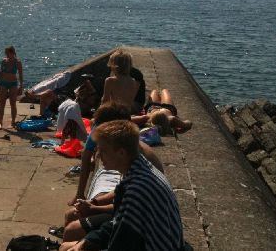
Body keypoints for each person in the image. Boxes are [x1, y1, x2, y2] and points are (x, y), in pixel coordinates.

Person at [60, 120, 184, 251]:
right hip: (157, 241)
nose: (98, 156)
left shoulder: (137, 190)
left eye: (103, 151)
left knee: (66, 248)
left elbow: (121, 243)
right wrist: (86, 242)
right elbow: (119, 221)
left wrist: (83, 245)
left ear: (121, 153)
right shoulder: (139, 167)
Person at [62, 104, 164, 242]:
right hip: (137, 219)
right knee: (71, 215)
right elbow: (121, 193)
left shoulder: (140, 176)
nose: (98, 155)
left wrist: (93, 208)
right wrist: (93, 201)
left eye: (102, 150)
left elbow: (125, 209)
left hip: (144, 230)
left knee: (72, 230)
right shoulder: (133, 159)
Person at [0, 45, 23, 129]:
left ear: (13, 53)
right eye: (6, 53)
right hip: (3, 83)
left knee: (13, 103)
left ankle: (13, 122)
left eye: (8, 53)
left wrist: (21, 86)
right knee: (2, 103)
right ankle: (0, 122)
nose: (6, 54)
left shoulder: (18, 62)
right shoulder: (4, 61)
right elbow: (1, 73)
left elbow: (20, 75)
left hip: (13, 84)